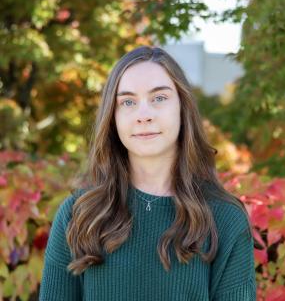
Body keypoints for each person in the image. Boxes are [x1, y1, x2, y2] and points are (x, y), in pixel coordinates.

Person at [39, 46, 259, 300]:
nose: (144, 115)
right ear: (113, 117)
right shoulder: (78, 216)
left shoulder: (224, 219)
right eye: (128, 102)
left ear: (182, 108)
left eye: (159, 98)